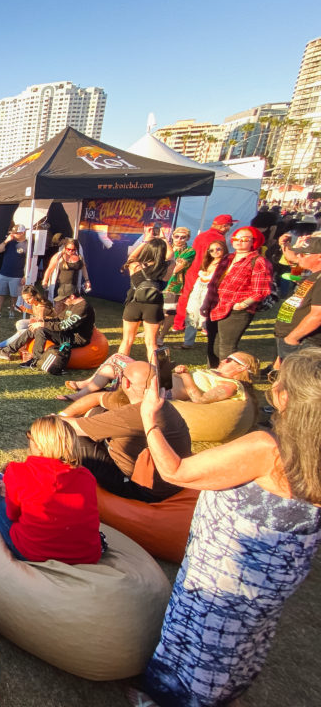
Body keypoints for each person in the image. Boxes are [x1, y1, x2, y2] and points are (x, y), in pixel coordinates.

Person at [128, 349, 321, 707]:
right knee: (241, 636)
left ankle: (175, 697)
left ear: (286, 397)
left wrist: (149, 418)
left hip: (228, 566)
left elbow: (175, 471)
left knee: (203, 634)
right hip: (280, 570)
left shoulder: (268, 449)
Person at [0, 416, 102, 564]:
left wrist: (12, 494)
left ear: (39, 445)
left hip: (34, 552)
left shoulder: (20, 472)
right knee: (7, 487)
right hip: (86, 556)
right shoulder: (87, 476)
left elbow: (13, 515)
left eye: (30, 436)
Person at [61, 361, 192, 503]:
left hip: (143, 490)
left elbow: (67, 427)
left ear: (126, 384)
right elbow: (98, 397)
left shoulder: (130, 415)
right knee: (98, 411)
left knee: (69, 438)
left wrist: (54, 419)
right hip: (171, 482)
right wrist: (64, 414)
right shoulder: (156, 403)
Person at [203, 226, 272, 368]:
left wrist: (243, 304)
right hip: (216, 306)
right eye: (236, 239)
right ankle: (212, 373)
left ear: (254, 241)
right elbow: (213, 283)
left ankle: (227, 377)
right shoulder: (228, 258)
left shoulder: (258, 261)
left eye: (244, 239)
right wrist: (206, 303)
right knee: (213, 345)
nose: (239, 242)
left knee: (226, 347)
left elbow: (261, 290)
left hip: (236, 310)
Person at [173, 213, 236, 333]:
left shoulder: (202, 235)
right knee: (207, 298)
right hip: (207, 271)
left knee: (185, 297)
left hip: (193, 270)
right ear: (224, 226)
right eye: (230, 225)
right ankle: (204, 325)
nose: (230, 228)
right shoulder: (219, 238)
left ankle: (178, 324)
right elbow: (217, 256)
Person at [273, 236, 321, 369]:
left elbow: (318, 315)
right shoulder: (314, 274)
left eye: (303, 254)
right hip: (290, 336)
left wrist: (292, 338)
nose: (298, 256)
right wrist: (285, 245)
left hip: (304, 340)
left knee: (296, 382)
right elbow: (295, 271)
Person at [119, 237, 170, 360]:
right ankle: (155, 374)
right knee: (151, 343)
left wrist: (145, 241)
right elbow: (171, 256)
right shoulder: (166, 267)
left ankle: (118, 372)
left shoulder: (135, 265)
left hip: (133, 304)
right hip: (154, 306)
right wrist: (165, 240)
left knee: (127, 341)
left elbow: (132, 256)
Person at [181, 240, 227, 350]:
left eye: (218, 249)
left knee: (206, 317)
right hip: (198, 289)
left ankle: (212, 342)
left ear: (224, 249)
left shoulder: (226, 263)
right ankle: (188, 342)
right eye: (211, 250)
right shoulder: (207, 262)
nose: (215, 252)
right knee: (191, 314)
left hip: (211, 291)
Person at [161, 227, 194, 336]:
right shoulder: (164, 247)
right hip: (159, 282)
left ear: (187, 238)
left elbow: (176, 268)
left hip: (173, 285)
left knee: (169, 311)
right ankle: (152, 331)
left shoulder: (189, 251)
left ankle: (162, 335)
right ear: (173, 236)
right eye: (177, 236)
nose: (179, 239)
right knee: (155, 309)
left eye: (183, 237)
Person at [0, 225, 28, 318]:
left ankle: (12, 311)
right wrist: (6, 241)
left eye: (15, 233)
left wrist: (25, 275)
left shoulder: (27, 244)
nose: (13, 235)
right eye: (12, 233)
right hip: (4, 272)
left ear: (22, 233)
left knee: (14, 295)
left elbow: (29, 260)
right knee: (1, 293)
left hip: (17, 274)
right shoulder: (10, 242)